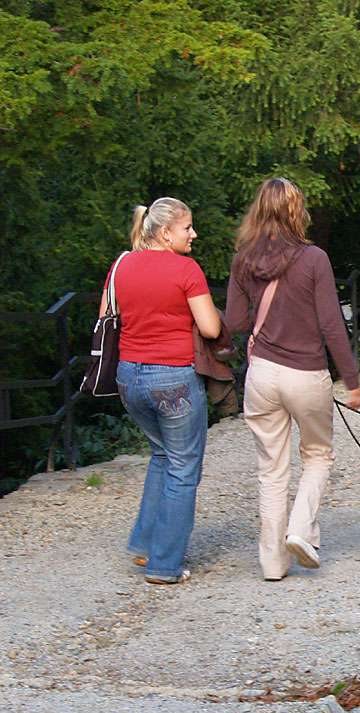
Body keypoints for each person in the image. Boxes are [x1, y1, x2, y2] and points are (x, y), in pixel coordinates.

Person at [224, 177, 360, 581]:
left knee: (271, 470)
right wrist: (352, 380)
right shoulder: (314, 258)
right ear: (296, 212)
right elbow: (332, 325)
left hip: (262, 374)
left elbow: (235, 322)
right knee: (318, 455)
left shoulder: (243, 260)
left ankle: (272, 564)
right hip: (306, 373)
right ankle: (301, 530)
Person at [111, 197, 222, 585]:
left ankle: (145, 544)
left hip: (128, 377)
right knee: (183, 468)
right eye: (187, 227)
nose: (194, 234)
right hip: (173, 379)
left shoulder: (122, 265)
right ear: (164, 232)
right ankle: (165, 565)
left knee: (162, 454)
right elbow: (210, 328)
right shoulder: (186, 269)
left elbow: (108, 315)